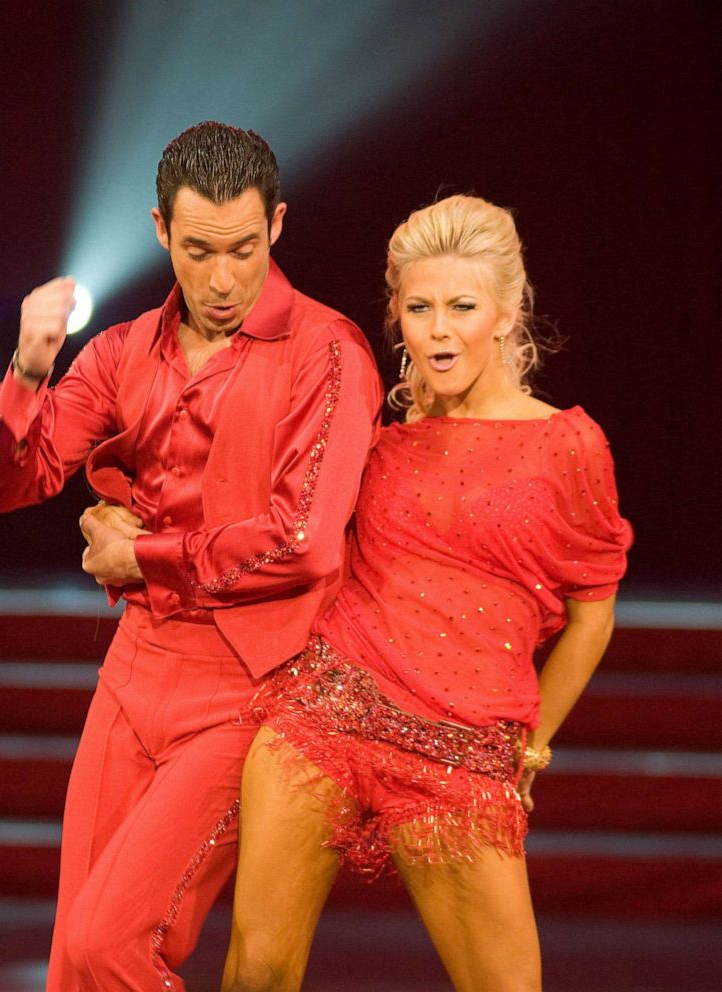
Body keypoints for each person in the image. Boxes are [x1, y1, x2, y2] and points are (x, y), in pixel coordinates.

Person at [0, 121, 381, 992]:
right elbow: (6, 484)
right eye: (197, 251)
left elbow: (301, 544)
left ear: (275, 225)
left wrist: (140, 556)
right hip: (134, 673)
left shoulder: (326, 352)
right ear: (160, 231)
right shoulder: (121, 352)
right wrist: (30, 371)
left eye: (240, 249)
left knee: (108, 946)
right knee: (72, 962)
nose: (221, 279)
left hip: (250, 686)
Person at [221, 194, 632, 992]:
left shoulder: (567, 443)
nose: (438, 329)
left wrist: (531, 744)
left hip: (459, 752)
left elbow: (593, 616)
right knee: (258, 971)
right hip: (327, 715)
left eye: (461, 307)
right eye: (418, 307)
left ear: (507, 313)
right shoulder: (379, 434)